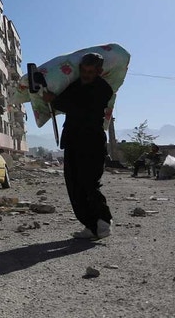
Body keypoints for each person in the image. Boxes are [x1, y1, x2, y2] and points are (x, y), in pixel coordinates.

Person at [42, 53, 114, 240]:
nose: (86, 74)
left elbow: (80, 108)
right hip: (73, 141)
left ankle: (104, 222)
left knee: (89, 183)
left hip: (91, 142)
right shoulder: (75, 85)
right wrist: (52, 98)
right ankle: (90, 225)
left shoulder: (103, 89)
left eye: (90, 71)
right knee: (74, 185)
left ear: (98, 71)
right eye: (84, 70)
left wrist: (55, 100)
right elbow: (63, 100)